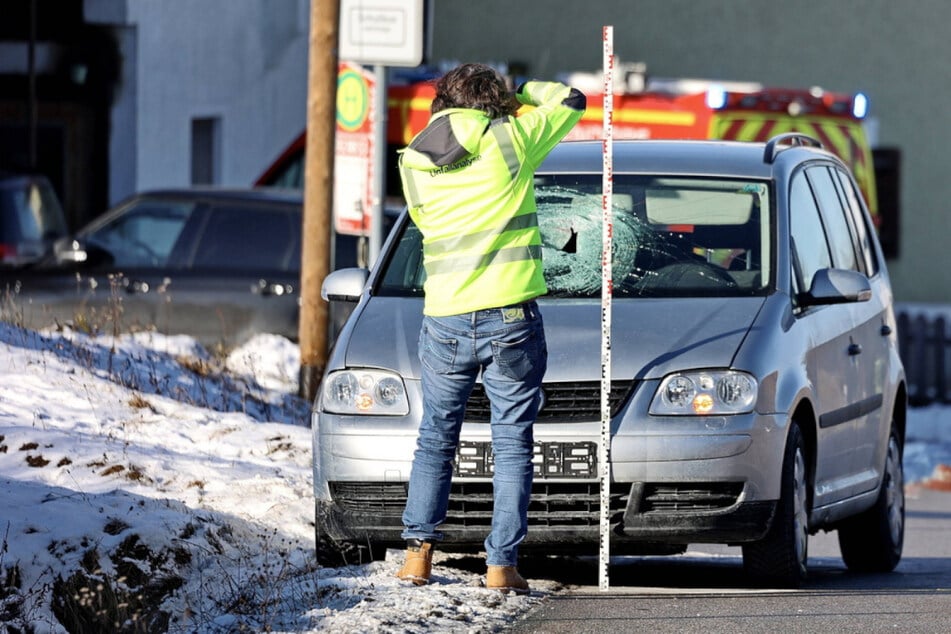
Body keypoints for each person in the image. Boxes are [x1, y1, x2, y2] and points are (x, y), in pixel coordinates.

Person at [395, 63, 585, 593]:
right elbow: (571, 100)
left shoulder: (413, 159)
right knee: (512, 442)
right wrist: (521, 92)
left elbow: (425, 223)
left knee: (436, 436)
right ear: (493, 102)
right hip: (509, 317)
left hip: (446, 317)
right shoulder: (512, 139)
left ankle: (417, 556)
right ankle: (501, 567)